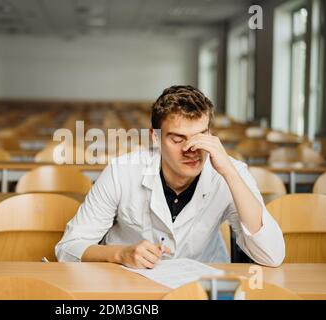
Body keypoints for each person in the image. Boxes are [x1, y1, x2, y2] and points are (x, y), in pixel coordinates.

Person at [55, 85, 285, 268]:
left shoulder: (230, 172)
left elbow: (270, 255)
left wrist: (230, 174)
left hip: (200, 287)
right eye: (177, 139)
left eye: (200, 136)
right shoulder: (122, 171)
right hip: (129, 284)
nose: (191, 149)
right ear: (155, 138)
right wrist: (120, 254)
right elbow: (68, 248)